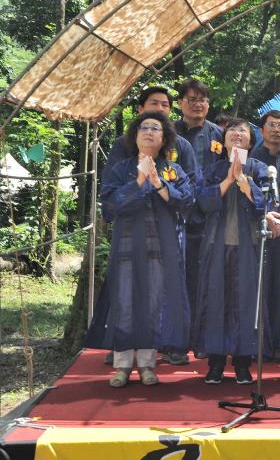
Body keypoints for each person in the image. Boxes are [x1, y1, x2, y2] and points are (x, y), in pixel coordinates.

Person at [86, 111, 193, 387]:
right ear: (135, 136)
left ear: (164, 138)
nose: (148, 132)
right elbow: (111, 204)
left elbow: (186, 201)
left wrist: (158, 182)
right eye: (143, 128)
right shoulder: (121, 168)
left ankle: (146, 363)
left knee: (154, 303)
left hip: (161, 245)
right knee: (124, 301)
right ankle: (122, 365)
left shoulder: (173, 169)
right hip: (126, 243)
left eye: (155, 128)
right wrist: (138, 181)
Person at [192, 119, 269, 385]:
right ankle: (215, 363)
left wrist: (245, 182)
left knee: (245, 304)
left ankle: (242, 363)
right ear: (223, 140)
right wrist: (227, 180)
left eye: (243, 131)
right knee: (215, 302)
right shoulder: (213, 169)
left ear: (251, 140)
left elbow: (269, 204)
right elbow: (202, 203)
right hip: (216, 245)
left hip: (249, 246)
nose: (237, 134)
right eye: (232, 131)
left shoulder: (259, 168)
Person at [173, 78, 224, 364]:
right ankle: (176, 342)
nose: (197, 104)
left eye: (202, 99)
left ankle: (203, 340)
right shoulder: (168, 133)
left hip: (210, 218)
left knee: (207, 280)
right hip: (176, 216)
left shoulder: (220, 135)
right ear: (180, 103)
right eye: (191, 99)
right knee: (178, 280)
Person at [250, 110, 280, 363]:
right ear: (261, 130)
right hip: (254, 232)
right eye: (271, 125)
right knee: (257, 287)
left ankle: (278, 342)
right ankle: (255, 343)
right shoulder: (250, 159)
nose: (276, 130)